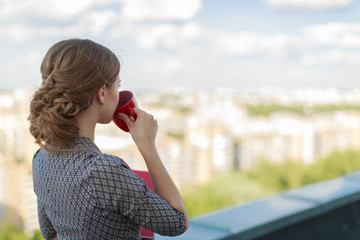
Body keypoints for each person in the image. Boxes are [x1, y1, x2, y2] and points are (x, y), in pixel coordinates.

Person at [28, 39, 189, 240]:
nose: (119, 93)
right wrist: (147, 146)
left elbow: (49, 233)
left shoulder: (41, 158)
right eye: (117, 85)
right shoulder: (105, 171)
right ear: (102, 93)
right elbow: (177, 222)